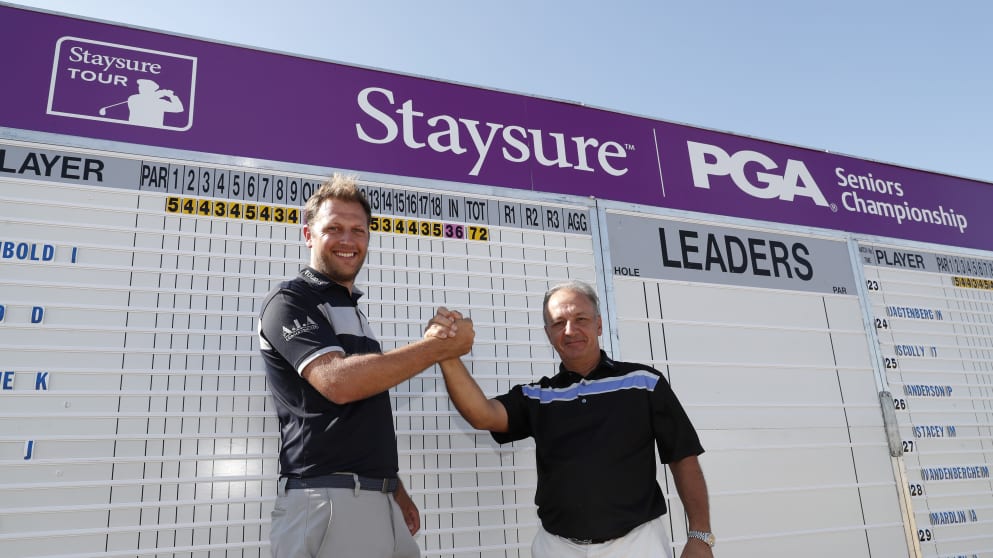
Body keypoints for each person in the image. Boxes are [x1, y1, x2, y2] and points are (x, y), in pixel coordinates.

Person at [258, 174, 474, 558]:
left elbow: (357, 413)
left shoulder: (351, 310)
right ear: (308, 235)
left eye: (358, 230)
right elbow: (337, 383)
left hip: (376, 499)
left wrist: (393, 488)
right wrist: (436, 348)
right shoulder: (290, 300)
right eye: (333, 228)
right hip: (330, 500)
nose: (347, 239)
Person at [428, 280, 714, 558]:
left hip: (636, 544)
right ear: (547, 333)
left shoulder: (644, 383)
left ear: (599, 324)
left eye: (581, 318)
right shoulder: (538, 396)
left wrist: (700, 536)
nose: (570, 330)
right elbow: (482, 414)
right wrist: (445, 353)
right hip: (557, 547)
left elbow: (683, 459)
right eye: (557, 323)